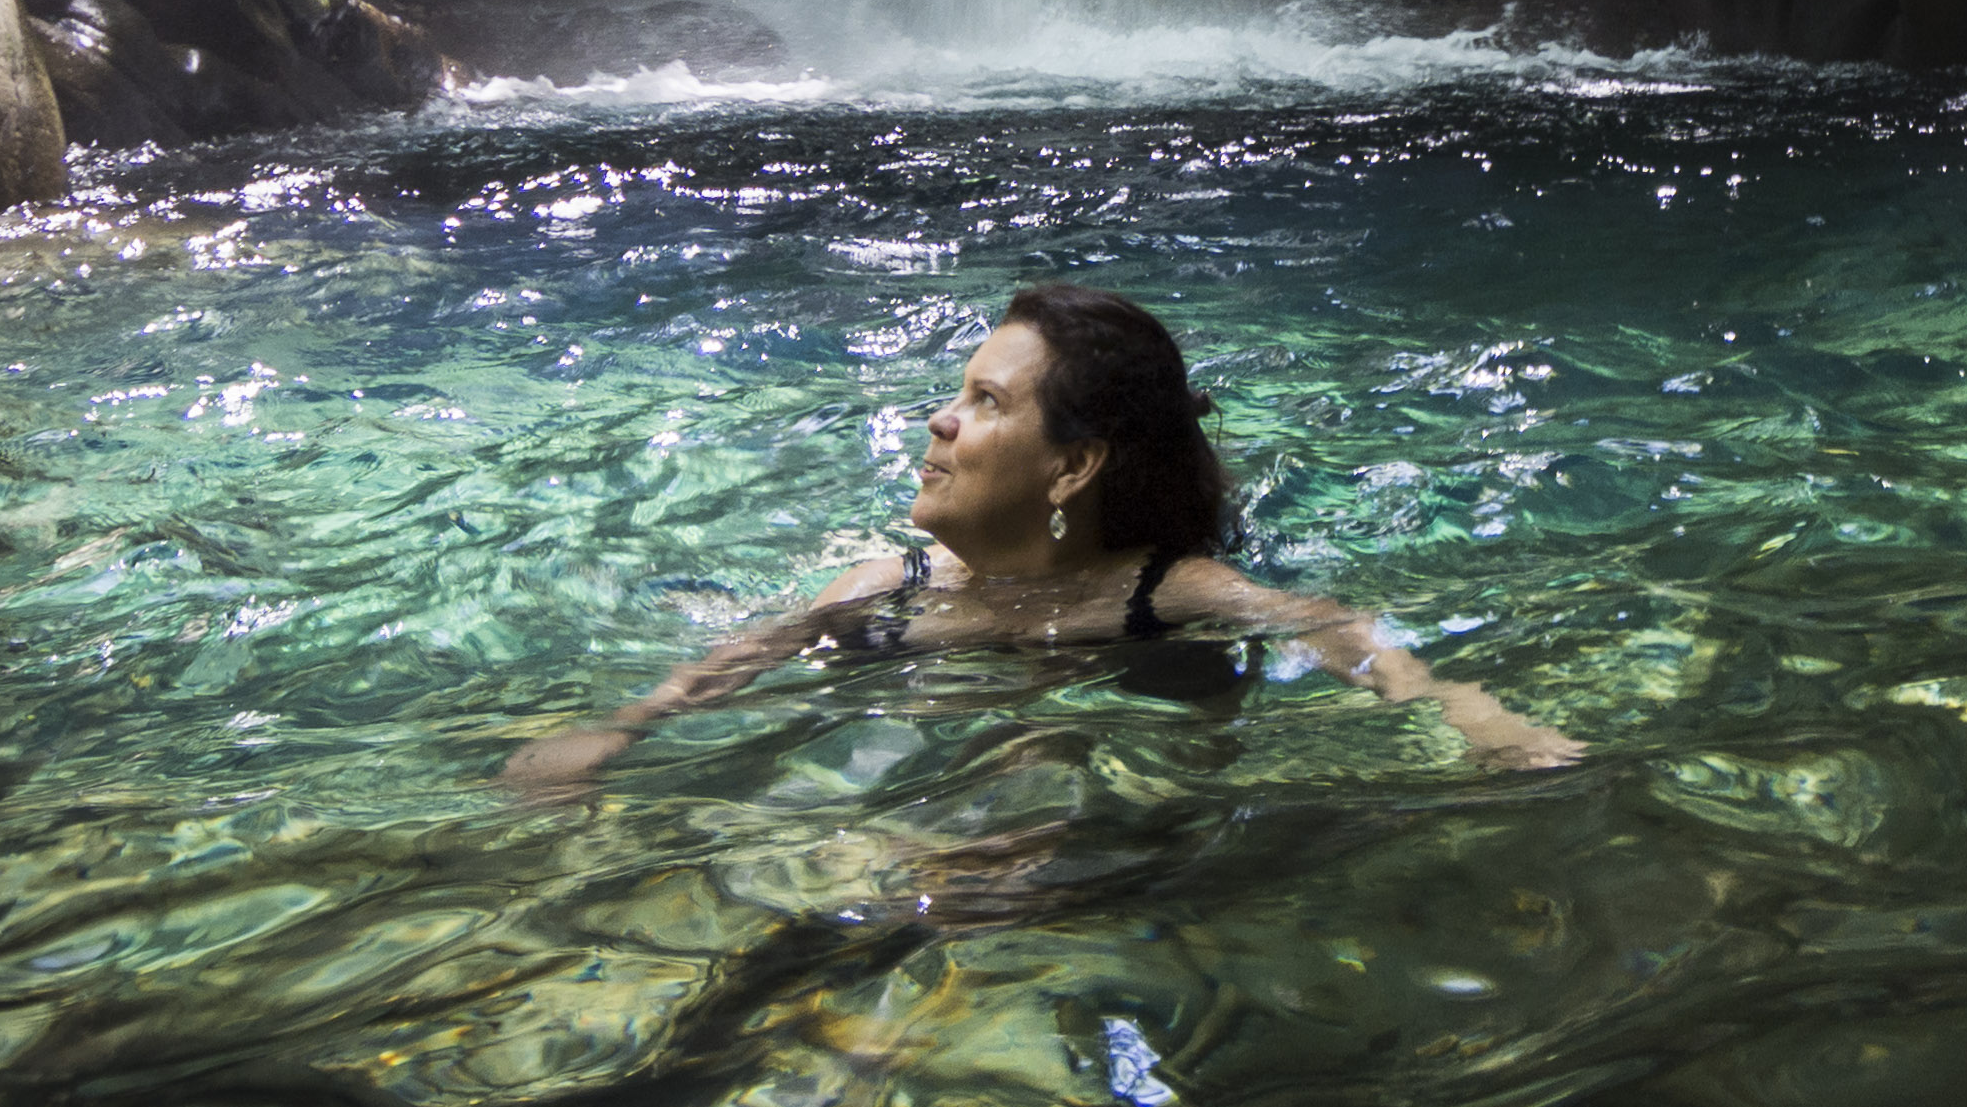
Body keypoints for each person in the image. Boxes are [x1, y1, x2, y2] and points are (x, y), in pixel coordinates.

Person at [502, 282, 1580, 785]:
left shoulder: (1158, 589)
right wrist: (617, 732)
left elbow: (1334, 625)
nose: (938, 420)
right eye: (956, 392)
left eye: (984, 401)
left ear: (1071, 468)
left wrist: (1470, 715)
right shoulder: (890, 579)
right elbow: (742, 657)